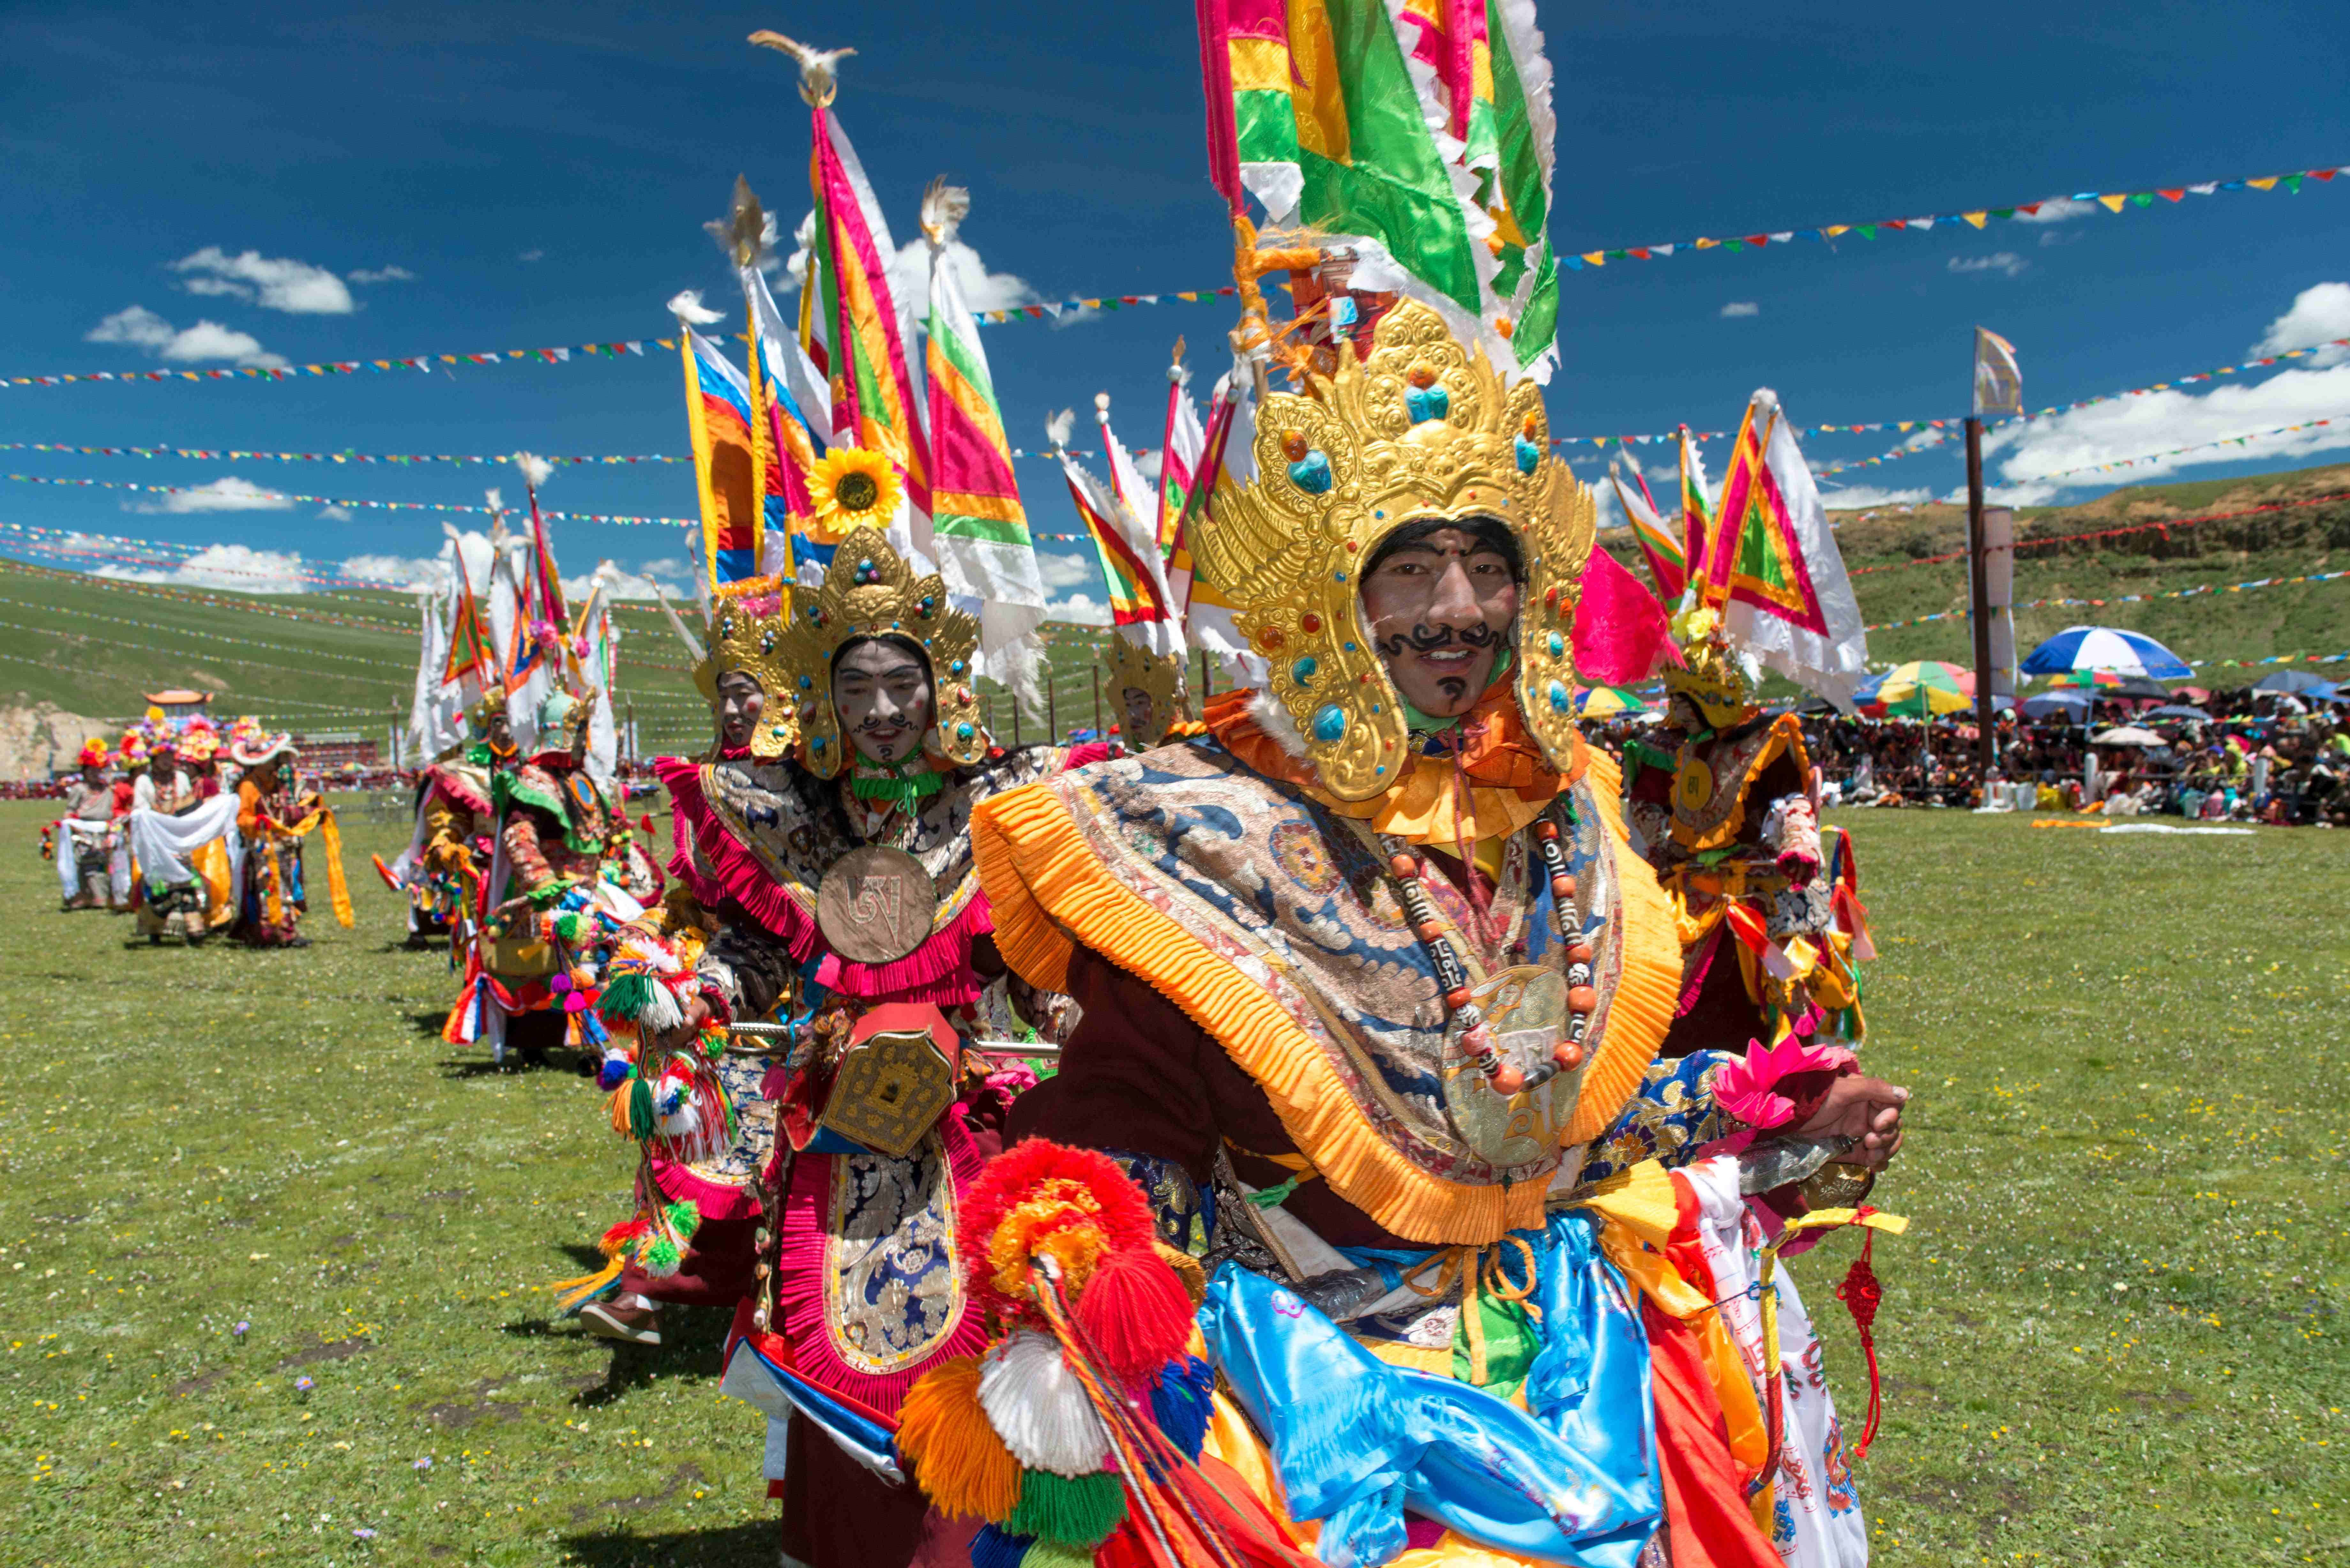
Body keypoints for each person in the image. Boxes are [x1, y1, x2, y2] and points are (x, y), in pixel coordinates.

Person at [957, 303, 1909, 1567]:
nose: (1455, 610)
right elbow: (1137, 1115)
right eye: (1410, 567)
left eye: (1487, 567)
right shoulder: (1198, 826)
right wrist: (1085, 1264)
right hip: (1314, 1393)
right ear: (1328, 592)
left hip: (1579, 1364)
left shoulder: (1568, 816)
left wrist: (1771, 1111)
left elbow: (1558, 1123)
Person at [593, 529, 1094, 1568]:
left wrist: (1068, 1016)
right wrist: (700, 991)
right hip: (829, 1131)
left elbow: (1034, 958)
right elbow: (752, 948)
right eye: (855, 686)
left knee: (953, 1356)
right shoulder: (793, 818)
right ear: (824, 698)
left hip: (955, 1135)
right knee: (832, 1353)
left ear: (938, 686)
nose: (878, 711)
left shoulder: (992, 808)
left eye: (899, 683)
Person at [453, 684, 658, 1063]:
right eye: (579, 730)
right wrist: (545, 883)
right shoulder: (531, 781)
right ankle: (545, 1045)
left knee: (607, 961)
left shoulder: (584, 779)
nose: (585, 739)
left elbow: (599, 831)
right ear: (562, 732)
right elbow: (519, 837)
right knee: (551, 971)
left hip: (592, 889)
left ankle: (601, 1043)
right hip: (552, 895)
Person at [229, 725, 347, 947]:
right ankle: (269, 935)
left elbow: (289, 813)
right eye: (275, 759)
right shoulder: (248, 786)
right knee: (270, 890)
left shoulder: (279, 783)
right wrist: (260, 823)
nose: (279, 763)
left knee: (288, 888)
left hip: (286, 846)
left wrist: (312, 811)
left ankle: (286, 931)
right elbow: (242, 818)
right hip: (263, 848)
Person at [56, 739, 120, 911]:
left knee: (102, 864)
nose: (94, 773)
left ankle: (102, 896)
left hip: (104, 831)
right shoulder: (79, 789)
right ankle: (80, 896)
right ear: (84, 771)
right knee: (83, 864)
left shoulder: (107, 790)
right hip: (83, 831)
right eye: (90, 770)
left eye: (97, 770)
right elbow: (70, 811)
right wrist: (74, 829)